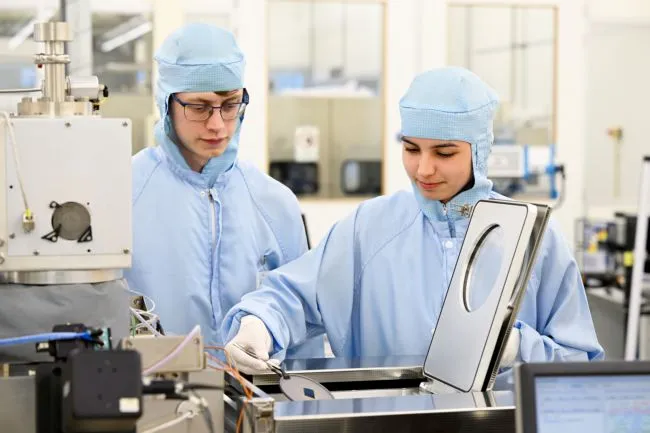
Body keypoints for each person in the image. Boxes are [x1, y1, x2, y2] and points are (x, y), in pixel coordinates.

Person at [221, 67, 604, 384]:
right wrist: (258, 324)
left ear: (480, 151)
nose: (424, 169)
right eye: (411, 149)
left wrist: (516, 347)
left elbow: (579, 363)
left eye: (445, 152)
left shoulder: (534, 239)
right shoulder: (369, 229)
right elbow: (293, 295)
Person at [124, 23, 323, 359]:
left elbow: (304, 328)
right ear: (166, 103)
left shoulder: (275, 203)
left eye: (230, 105)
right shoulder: (124, 193)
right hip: (152, 388)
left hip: (255, 390)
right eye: (199, 107)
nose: (217, 125)